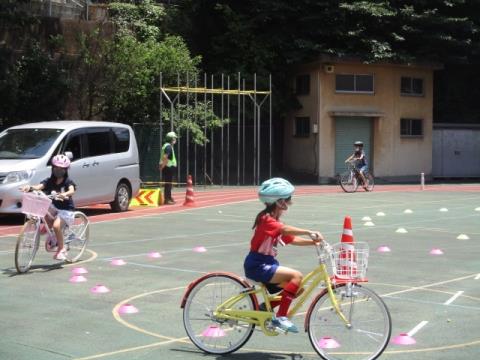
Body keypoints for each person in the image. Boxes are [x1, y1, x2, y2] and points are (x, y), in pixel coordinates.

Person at [243, 177, 323, 333]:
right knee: (297, 276)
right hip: (257, 265)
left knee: (297, 288)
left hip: (267, 264)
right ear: (279, 201)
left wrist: (313, 243)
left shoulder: (273, 220)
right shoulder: (266, 220)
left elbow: (291, 239)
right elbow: (285, 230)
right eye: (288, 198)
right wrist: (309, 231)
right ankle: (280, 318)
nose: (290, 202)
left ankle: (264, 308)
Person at [20, 154, 76, 260]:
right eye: (56, 168)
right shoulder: (49, 181)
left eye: (61, 169)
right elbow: (39, 187)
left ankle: (62, 249)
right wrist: (30, 187)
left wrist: (65, 194)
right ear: (52, 168)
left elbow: (72, 190)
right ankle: (49, 230)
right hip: (54, 207)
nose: (58, 170)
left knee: (56, 226)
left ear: (65, 170)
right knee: (43, 212)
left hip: (66, 210)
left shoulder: (67, 181)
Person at [159, 131, 178, 205]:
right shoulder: (168, 147)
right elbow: (165, 157)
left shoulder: (166, 145)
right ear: (171, 139)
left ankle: (169, 197)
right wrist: (163, 166)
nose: (175, 140)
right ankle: (167, 199)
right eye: (174, 138)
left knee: (168, 183)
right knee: (168, 184)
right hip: (168, 167)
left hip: (168, 167)